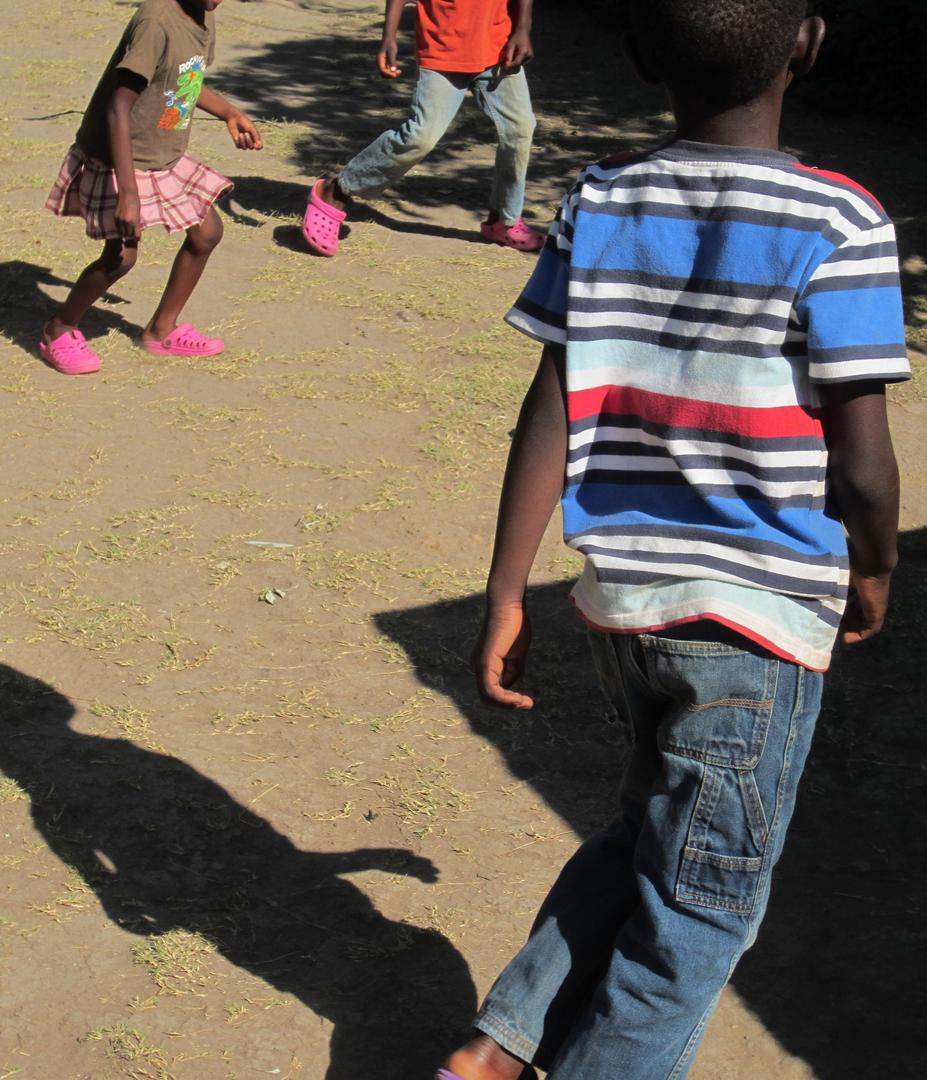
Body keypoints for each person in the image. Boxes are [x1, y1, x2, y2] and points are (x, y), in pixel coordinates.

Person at [438, 1, 910, 1077]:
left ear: (641, 56)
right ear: (808, 44)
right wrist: (876, 565)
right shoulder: (841, 220)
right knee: (704, 905)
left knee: (657, 829)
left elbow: (550, 403)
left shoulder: (602, 196)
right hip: (755, 624)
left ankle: (497, 1049)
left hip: (626, 610)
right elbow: (865, 463)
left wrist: (507, 590)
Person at [42, 0, 262, 375]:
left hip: (160, 153)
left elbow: (182, 80)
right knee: (121, 257)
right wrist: (128, 195)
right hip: (122, 157)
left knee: (207, 233)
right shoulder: (156, 22)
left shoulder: (202, 14)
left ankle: (161, 331)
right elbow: (117, 107)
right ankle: (58, 328)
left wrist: (228, 112)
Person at [302, 0, 545, 257]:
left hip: (498, 46)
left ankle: (504, 220)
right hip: (442, 49)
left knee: (520, 128)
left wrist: (522, 29)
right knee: (421, 135)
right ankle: (336, 190)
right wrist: (389, 37)